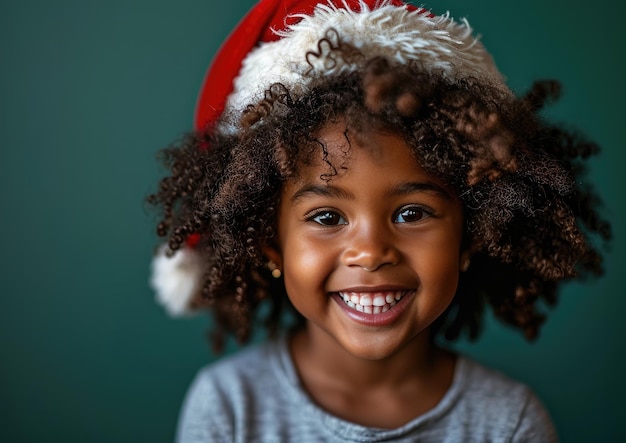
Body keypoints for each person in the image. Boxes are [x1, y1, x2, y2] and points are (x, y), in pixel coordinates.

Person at [147, 0, 611, 441]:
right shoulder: (228, 408)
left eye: (411, 213)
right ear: (271, 241)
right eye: (327, 216)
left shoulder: (508, 423)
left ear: (471, 233)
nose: (370, 251)